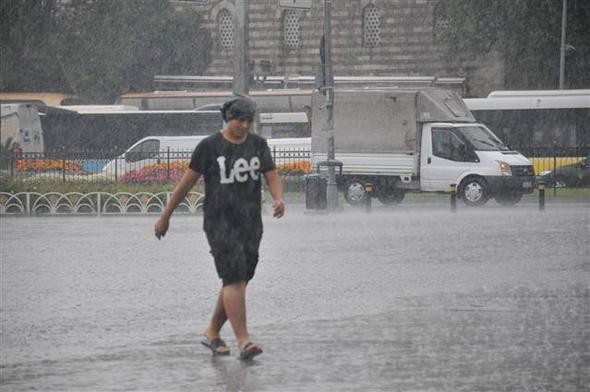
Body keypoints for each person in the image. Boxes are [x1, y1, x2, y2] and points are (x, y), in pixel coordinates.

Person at [154, 97, 285, 360]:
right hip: (220, 223)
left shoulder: (258, 145)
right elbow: (186, 184)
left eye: (249, 121)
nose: (245, 126)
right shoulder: (209, 147)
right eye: (240, 121)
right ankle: (244, 341)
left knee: (237, 281)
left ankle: (212, 332)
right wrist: (165, 215)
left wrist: (278, 198)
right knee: (234, 279)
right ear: (228, 119)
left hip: (250, 223)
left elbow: (270, 174)